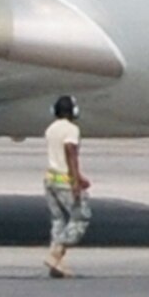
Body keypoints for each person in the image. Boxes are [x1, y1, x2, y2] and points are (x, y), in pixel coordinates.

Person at [44, 94, 91, 279]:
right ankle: (56, 252)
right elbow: (70, 153)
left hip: (49, 180)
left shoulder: (51, 129)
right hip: (64, 180)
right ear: (73, 111)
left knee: (58, 220)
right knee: (81, 217)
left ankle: (57, 264)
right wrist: (75, 179)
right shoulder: (71, 129)